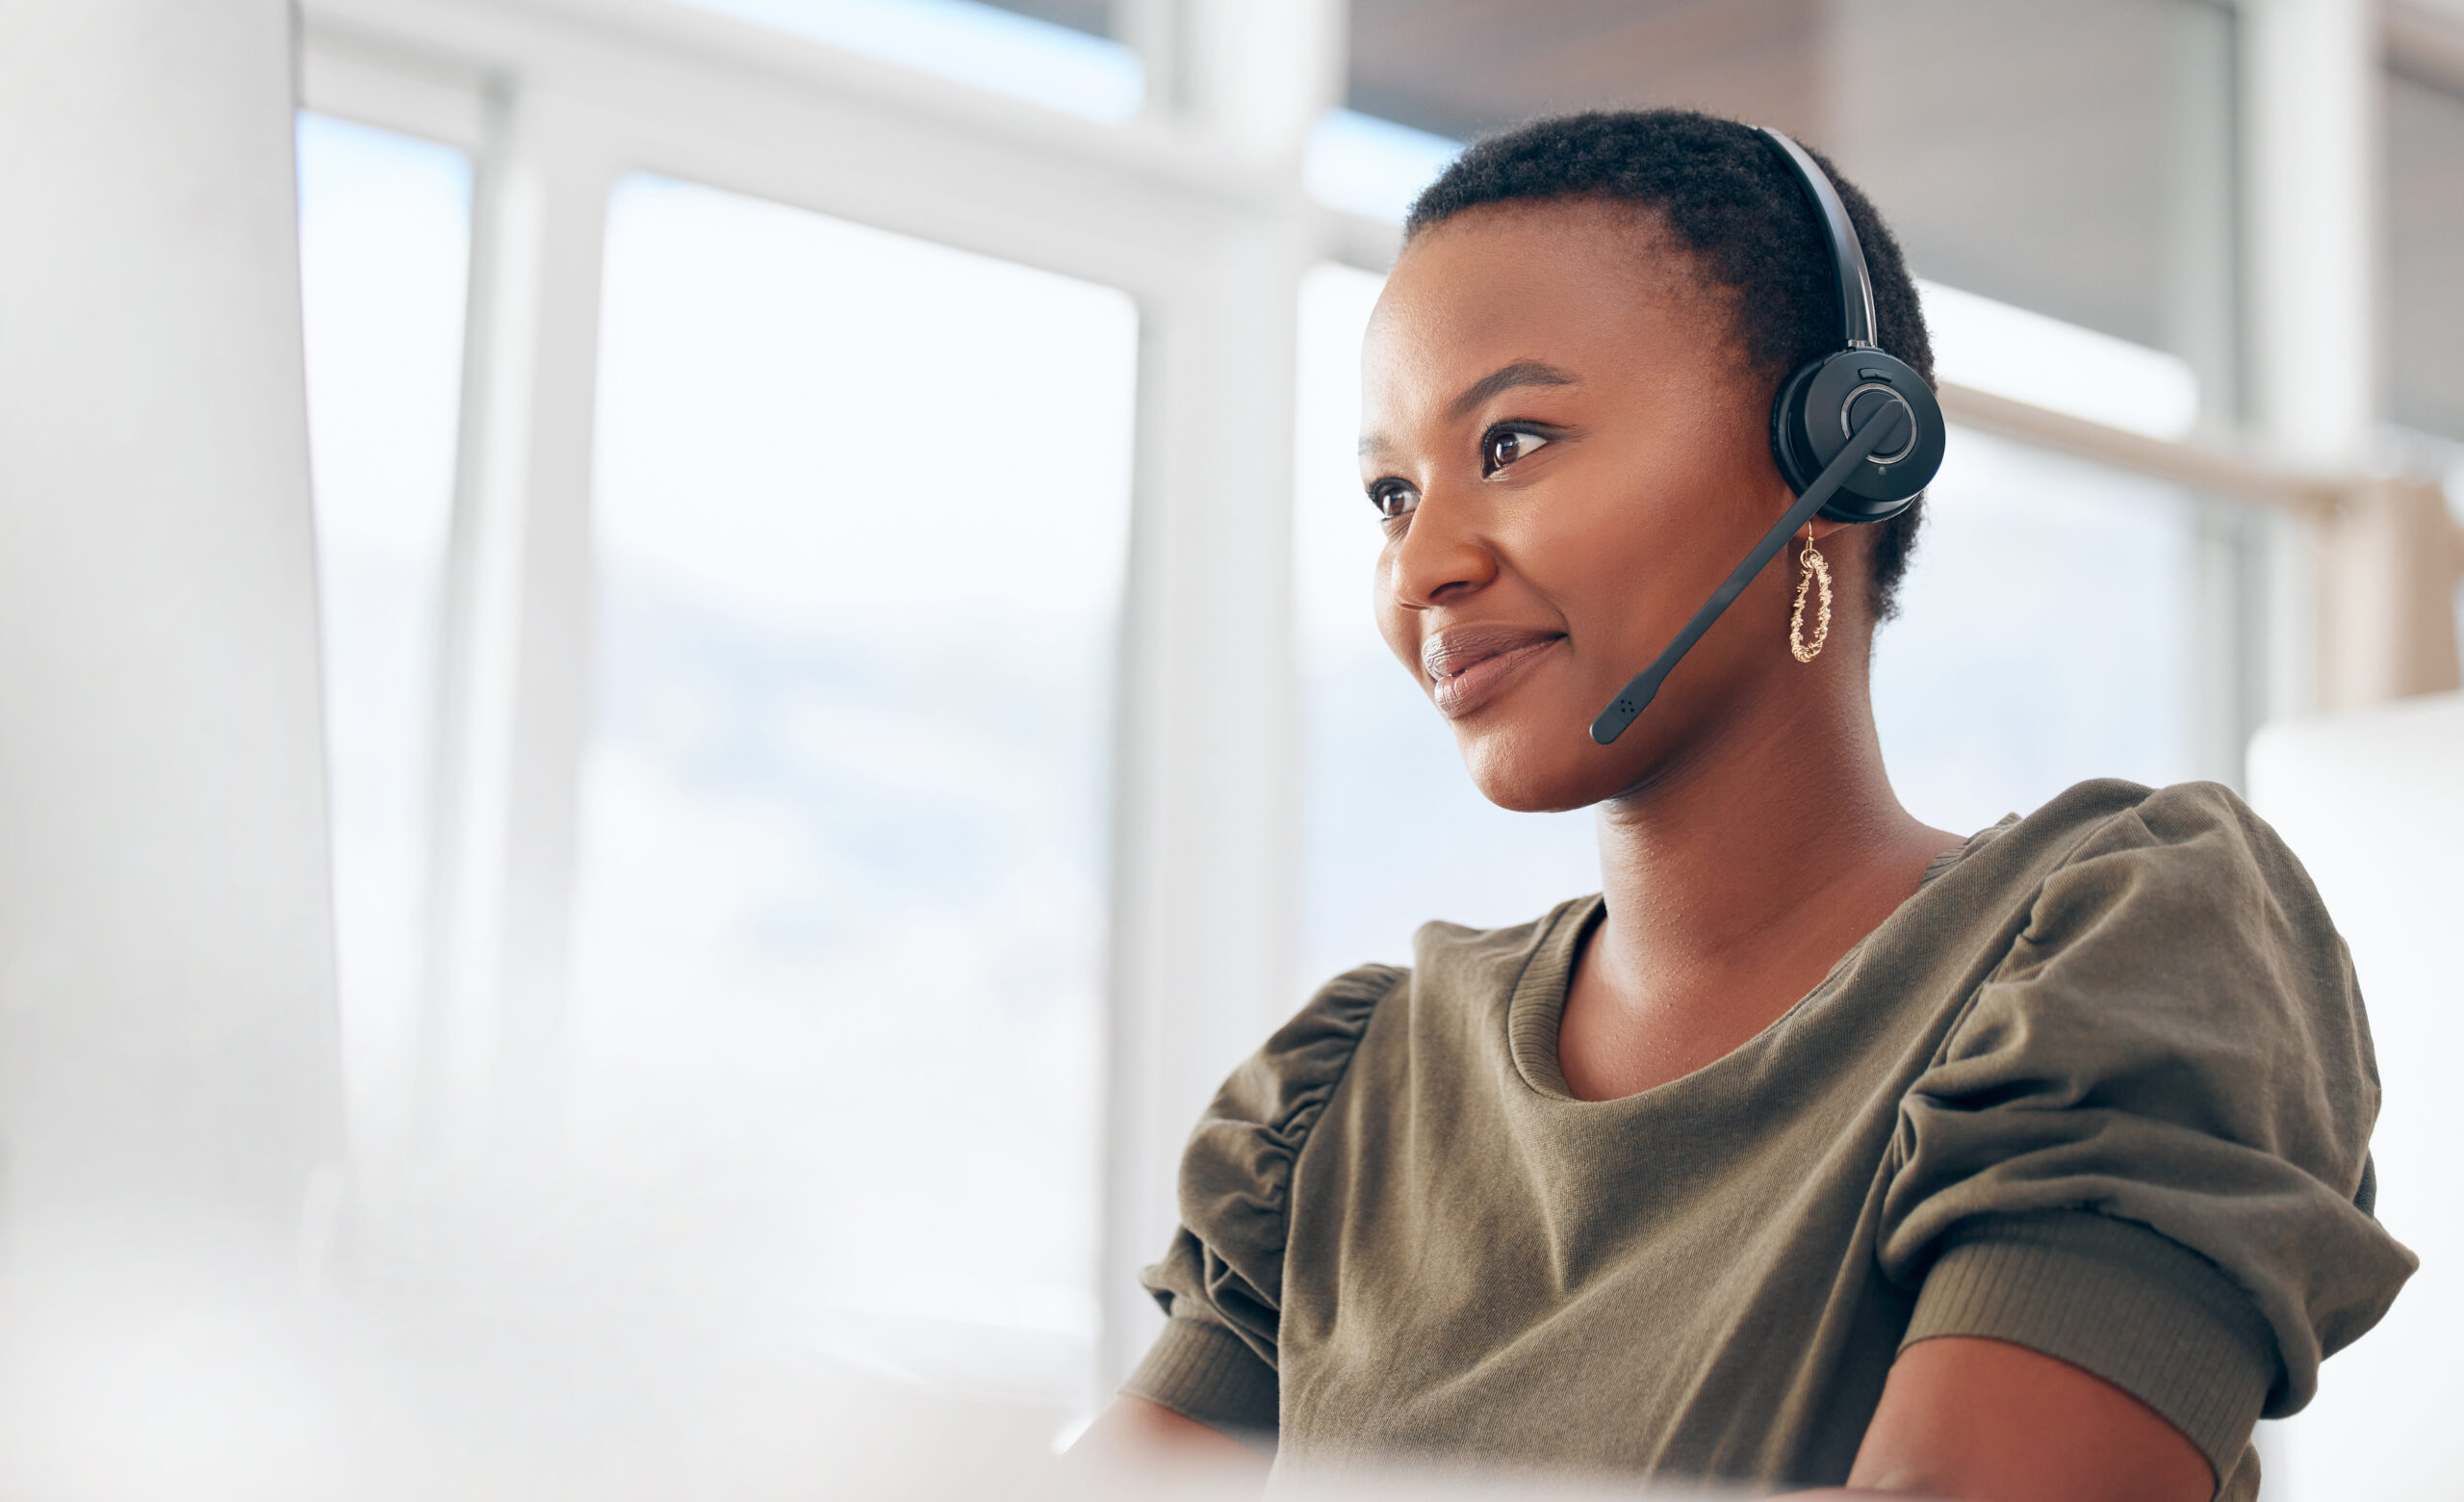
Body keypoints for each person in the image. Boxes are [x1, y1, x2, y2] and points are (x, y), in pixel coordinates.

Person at [1070, 111, 2413, 1501]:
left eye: (1514, 442)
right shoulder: (1348, 1096)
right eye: (1393, 494)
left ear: (1839, 445)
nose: (1426, 567)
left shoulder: (2124, 954)